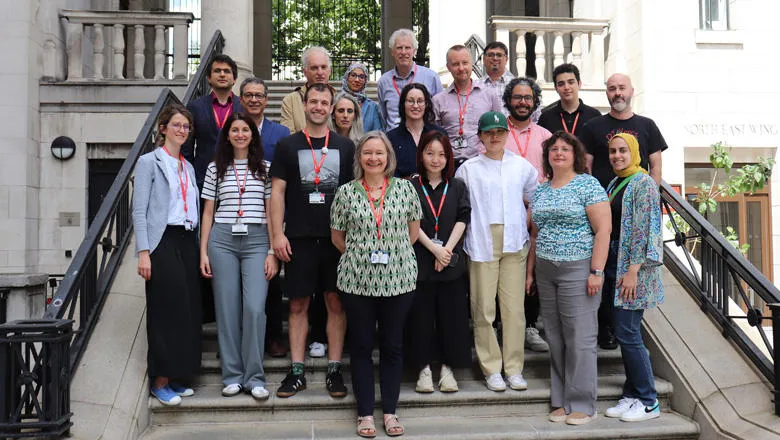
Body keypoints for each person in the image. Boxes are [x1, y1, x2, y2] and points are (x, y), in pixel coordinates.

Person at [330, 131, 422, 438]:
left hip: (399, 280)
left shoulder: (406, 189)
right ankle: (366, 414)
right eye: (367, 153)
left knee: (393, 346)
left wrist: (391, 257)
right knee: (360, 346)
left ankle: (391, 411)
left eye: (379, 153)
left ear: (388, 158)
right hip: (357, 281)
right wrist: (362, 257)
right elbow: (337, 237)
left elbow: (412, 233)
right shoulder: (345, 193)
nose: (373, 158)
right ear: (359, 158)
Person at [270, 83, 354, 398]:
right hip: (299, 239)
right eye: (314, 102)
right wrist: (277, 234)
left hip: (336, 241)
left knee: (335, 302)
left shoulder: (345, 147)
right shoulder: (287, 145)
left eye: (325, 102)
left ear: (332, 108)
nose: (319, 107)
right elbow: (276, 193)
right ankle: (296, 371)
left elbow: (353, 195)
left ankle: (334, 370)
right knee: (297, 304)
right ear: (305, 105)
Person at [580, 72, 668, 349]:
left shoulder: (647, 126)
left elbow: (655, 166)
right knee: (605, 288)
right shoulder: (593, 126)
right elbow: (587, 167)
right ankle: (607, 330)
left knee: (628, 311)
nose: (617, 93)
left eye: (622, 88)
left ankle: (638, 377)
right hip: (606, 218)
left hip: (632, 225)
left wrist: (647, 197)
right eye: (611, 89)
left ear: (632, 91)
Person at [528, 131, 610, 425]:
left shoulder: (588, 185)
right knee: (556, 336)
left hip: (579, 267)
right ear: (547, 156)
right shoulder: (541, 190)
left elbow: (603, 231)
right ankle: (561, 400)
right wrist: (530, 272)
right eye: (553, 149)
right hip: (546, 269)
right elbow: (535, 234)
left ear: (575, 154)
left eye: (565, 148)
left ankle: (583, 404)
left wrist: (596, 271)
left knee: (580, 338)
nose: (559, 153)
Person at [455, 111, 538, 393]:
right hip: (482, 240)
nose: (494, 137)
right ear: (480, 136)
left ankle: (514, 368)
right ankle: (491, 368)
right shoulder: (468, 169)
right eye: (488, 132)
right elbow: (460, 205)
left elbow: (534, 198)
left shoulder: (522, 166)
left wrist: (524, 221)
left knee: (514, 310)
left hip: (514, 241)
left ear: (507, 134)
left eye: (499, 132)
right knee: (483, 308)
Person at [199, 112, 279, 400]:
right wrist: (203, 252)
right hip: (222, 240)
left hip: (258, 240)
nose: (241, 134)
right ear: (227, 135)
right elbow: (208, 212)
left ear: (252, 135)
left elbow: (272, 213)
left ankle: (255, 377)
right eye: (235, 130)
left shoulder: (266, 169)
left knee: (255, 308)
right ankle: (232, 375)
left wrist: (272, 250)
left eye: (246, 130)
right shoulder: (214, 168)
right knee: (227, 309)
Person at [132, 104, 202, 406]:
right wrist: (144, 252)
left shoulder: (188, 166)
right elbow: (139, 209)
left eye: (186, 126)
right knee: (164, 311)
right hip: (163, 240)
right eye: (176, 125)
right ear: (163, 128)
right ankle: (160, 381)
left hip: (188, 240)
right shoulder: (150, 162)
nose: (182, 130)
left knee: (186, 310)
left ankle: (177, 376)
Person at [602, 133, 663, 422]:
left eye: (623, 150)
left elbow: (644, 229)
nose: (617, 156)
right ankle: (632, 393)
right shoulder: (615, 182)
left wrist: (633, 270)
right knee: (623, 331)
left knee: (628, 332)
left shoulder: (643, 183)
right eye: (613, 151)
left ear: (635, 152)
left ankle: (649, 400)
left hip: (632, 269)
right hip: (614, 262)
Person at [406, 130, 472, 394]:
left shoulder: (457, 186)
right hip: (420, 259)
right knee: (419, 318)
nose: (436, 160)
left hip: (450, 260)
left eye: (442, 154)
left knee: (452, 317)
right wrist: (434, 249)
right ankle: (422, 369)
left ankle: (447, 368)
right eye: (430, 153)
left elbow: (463, 218)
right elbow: (410, 221)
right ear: (421, 154)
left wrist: (446, 250)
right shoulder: (410, 185)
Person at [238, 77, 291, 358]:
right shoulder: (231, 129)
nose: (255, 100)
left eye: (259, 95)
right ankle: (241, 339)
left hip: (270, 213)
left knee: (271, 278)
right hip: (238, 213)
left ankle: (272, 338)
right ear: (241, 98)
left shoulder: (280, 133)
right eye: (249, 95)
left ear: (266, 99)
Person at [500, 76, 552, 353]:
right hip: (505, 211)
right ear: (508, 100)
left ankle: (530, 325)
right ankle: (501, 324)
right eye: (517, 97)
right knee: (504, 265)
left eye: (527, 98)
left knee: (531, 267)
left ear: (534, 102)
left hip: (536, 213)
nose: (522, 102)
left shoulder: (544, 136)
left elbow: (551, 175)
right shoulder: (498, 133)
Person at [433, 45, 503, 167]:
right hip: (449, 164)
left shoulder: (489, 94)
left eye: (465, 63)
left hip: (483, 162)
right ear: (448, 67)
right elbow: (434, 135)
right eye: (455, 64)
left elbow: (500, 128)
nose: (461, 68)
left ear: (472, 64)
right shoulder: (438, 100)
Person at [182, 54, 244, 191]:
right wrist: (192, 177)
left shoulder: (244, 107)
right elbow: (186, 148)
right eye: (217, 71)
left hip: (236, 181)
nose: (222, 75)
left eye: (227, 71)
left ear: (234, 79)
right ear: (209, 78)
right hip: (202, 180)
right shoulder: (195, 107)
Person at [378, 28, 443, 130]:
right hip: (393, 141)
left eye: (407, 47)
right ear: (392, 52)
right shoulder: (384, 81)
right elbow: (383, 117)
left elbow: (439, 112)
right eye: (399, 48)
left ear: (414, 51)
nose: (403, 52)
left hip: (423, 139)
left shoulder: (431, 77)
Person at [387, 83, 443, 178]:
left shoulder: (439, 134)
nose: (416, 106)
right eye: (410, 101)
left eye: (420, 101)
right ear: (403, 104)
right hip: (402, 190)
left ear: (426, 104)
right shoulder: (391, 137)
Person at [538, 64, 601, 139]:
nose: (566, 87)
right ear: (556, 88)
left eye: (571, 82)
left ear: (579, 84)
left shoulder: (594, 115)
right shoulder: (545, 118)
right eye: (561, 84)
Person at [280, 46, 332, 133]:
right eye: (314, 68)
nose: (320, 72)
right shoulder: (290, 101)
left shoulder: (339, 99)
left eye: (323, 67)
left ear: (329, 70)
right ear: (305, 72)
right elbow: (287, 137)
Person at [342, 62, 384, 131]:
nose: (357, 80)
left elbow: (377, 132)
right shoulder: (337, 102)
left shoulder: (372, 107)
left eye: (361, 77)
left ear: (365, 81)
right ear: (347, 77)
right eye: (353, 75)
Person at [481, 41, 514, 117]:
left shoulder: (517, 85)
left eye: (499, 55)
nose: (495, 58)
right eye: (490, 55)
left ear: (506, 59)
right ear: (484, 59)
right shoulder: (476, 86)